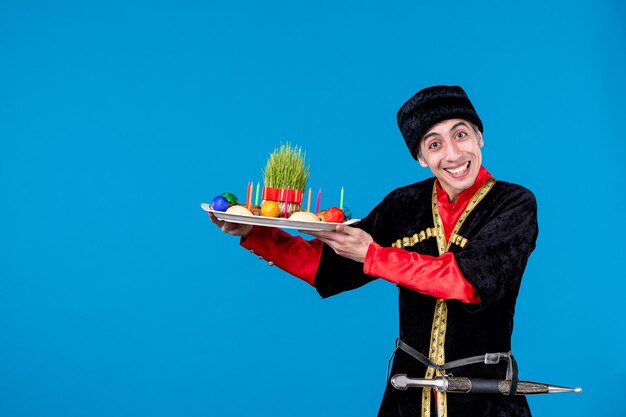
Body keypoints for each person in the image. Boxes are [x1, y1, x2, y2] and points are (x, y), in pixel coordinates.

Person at [209, 85, 538, 417]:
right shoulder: (403, 204)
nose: (453, 154)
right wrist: (254, 232)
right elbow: (326, 268)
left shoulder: (514, 204)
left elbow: (464, 281)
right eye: (434, 144)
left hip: (485, 396)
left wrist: (372, 256)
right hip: (406, 393)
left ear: (480, 136)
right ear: (422, 158)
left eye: (461, 134)